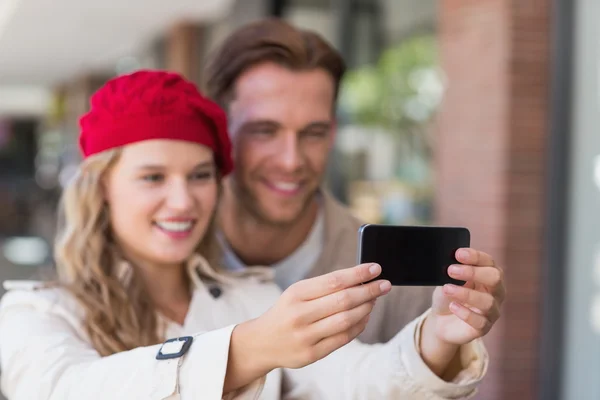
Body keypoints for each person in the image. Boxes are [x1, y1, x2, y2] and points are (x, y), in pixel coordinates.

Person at [0, 70, 503, 399]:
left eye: (199, 175)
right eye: (153, 177)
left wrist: (437, 339)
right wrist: (250, 350)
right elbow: (68, 389)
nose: (182, 200)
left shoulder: (254, 298)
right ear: (101, 189)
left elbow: (352, 380)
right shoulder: (34, 314)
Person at [203, 18, 475, 343]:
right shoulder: (163, 260)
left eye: (313, 133)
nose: (291, 160)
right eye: (264, 131)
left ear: (332, 132)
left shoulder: (395, 283)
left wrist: (446, 353)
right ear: (218, 130)